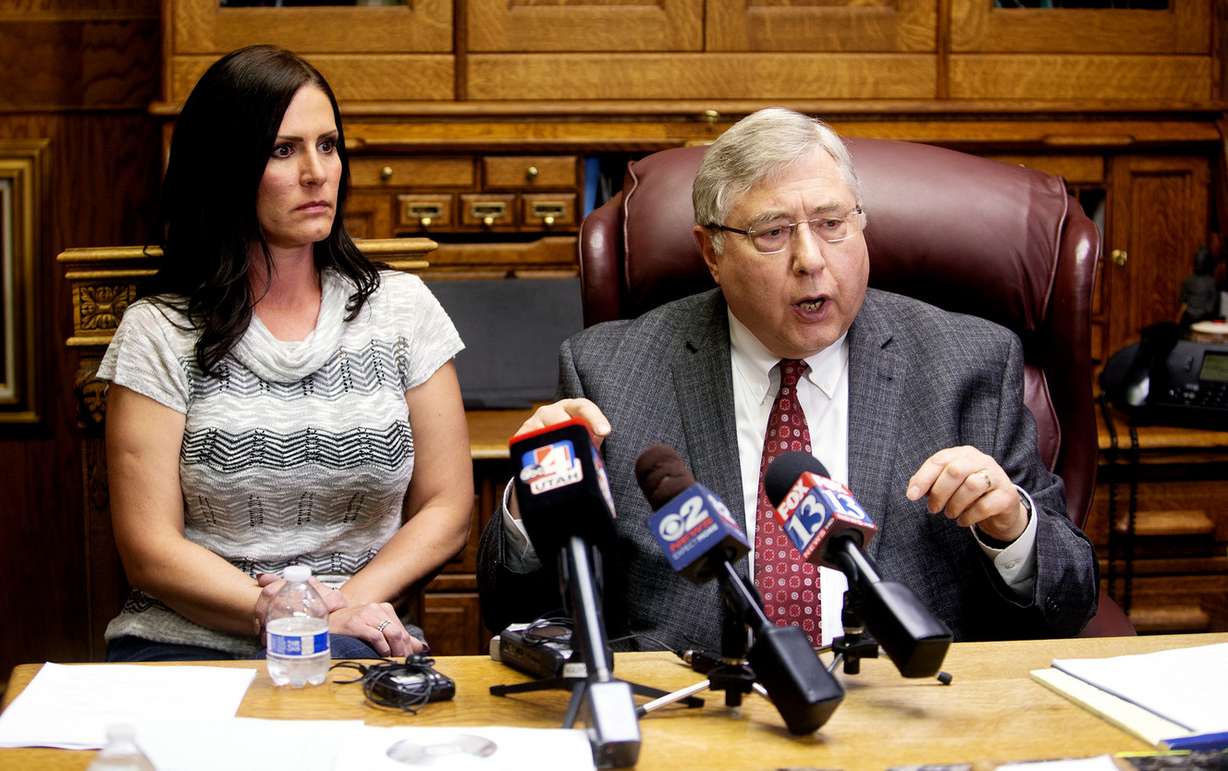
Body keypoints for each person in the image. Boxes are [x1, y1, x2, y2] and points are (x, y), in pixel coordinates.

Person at [478, 108, 1098, 652]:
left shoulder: (966, 363)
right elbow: (512, 611)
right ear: (711, 252)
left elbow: (1070, 600)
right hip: (696, 707)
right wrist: (535, 499)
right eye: (773, 233)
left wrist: (1010, 527)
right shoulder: (612, 372)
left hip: (900, 702)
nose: (811, 260)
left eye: (832, 223)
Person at [99, 45, 472, 662]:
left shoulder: (403, 309)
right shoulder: (158, 331)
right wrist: (278, 610)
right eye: (283, 150)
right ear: (226, 167)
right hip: (188, 647)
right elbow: (149, 549)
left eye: (328, 145)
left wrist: (339, 610)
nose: (316, 172)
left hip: (359, 639)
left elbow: (448, 508)